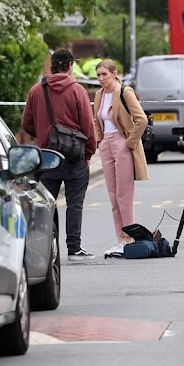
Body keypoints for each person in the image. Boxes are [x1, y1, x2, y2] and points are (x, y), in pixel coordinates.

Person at [22, 49, 97, 261]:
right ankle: (74, 249)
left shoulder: (37, 90)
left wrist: (44, 135)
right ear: (70, 66)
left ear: (52, 65)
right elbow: (87, 125)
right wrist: (89, 151)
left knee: (45, 204)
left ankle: (40, 252)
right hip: (75, 157)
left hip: (47, 156)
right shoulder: (78, 90)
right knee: (75, 204)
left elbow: (26, 123)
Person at [93, 59, 149, 257]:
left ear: (114, 74)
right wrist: (100, 139)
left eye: (104, 74)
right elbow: (96, 119)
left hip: (121, 142)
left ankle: (129, 238)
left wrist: (129, 143)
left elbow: (141, 119)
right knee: (113, 196)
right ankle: (121, 240)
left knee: (124, 196)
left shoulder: (125, 92)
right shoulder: (99, 95)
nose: (101, 79)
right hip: (106, 145)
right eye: (98, 75)